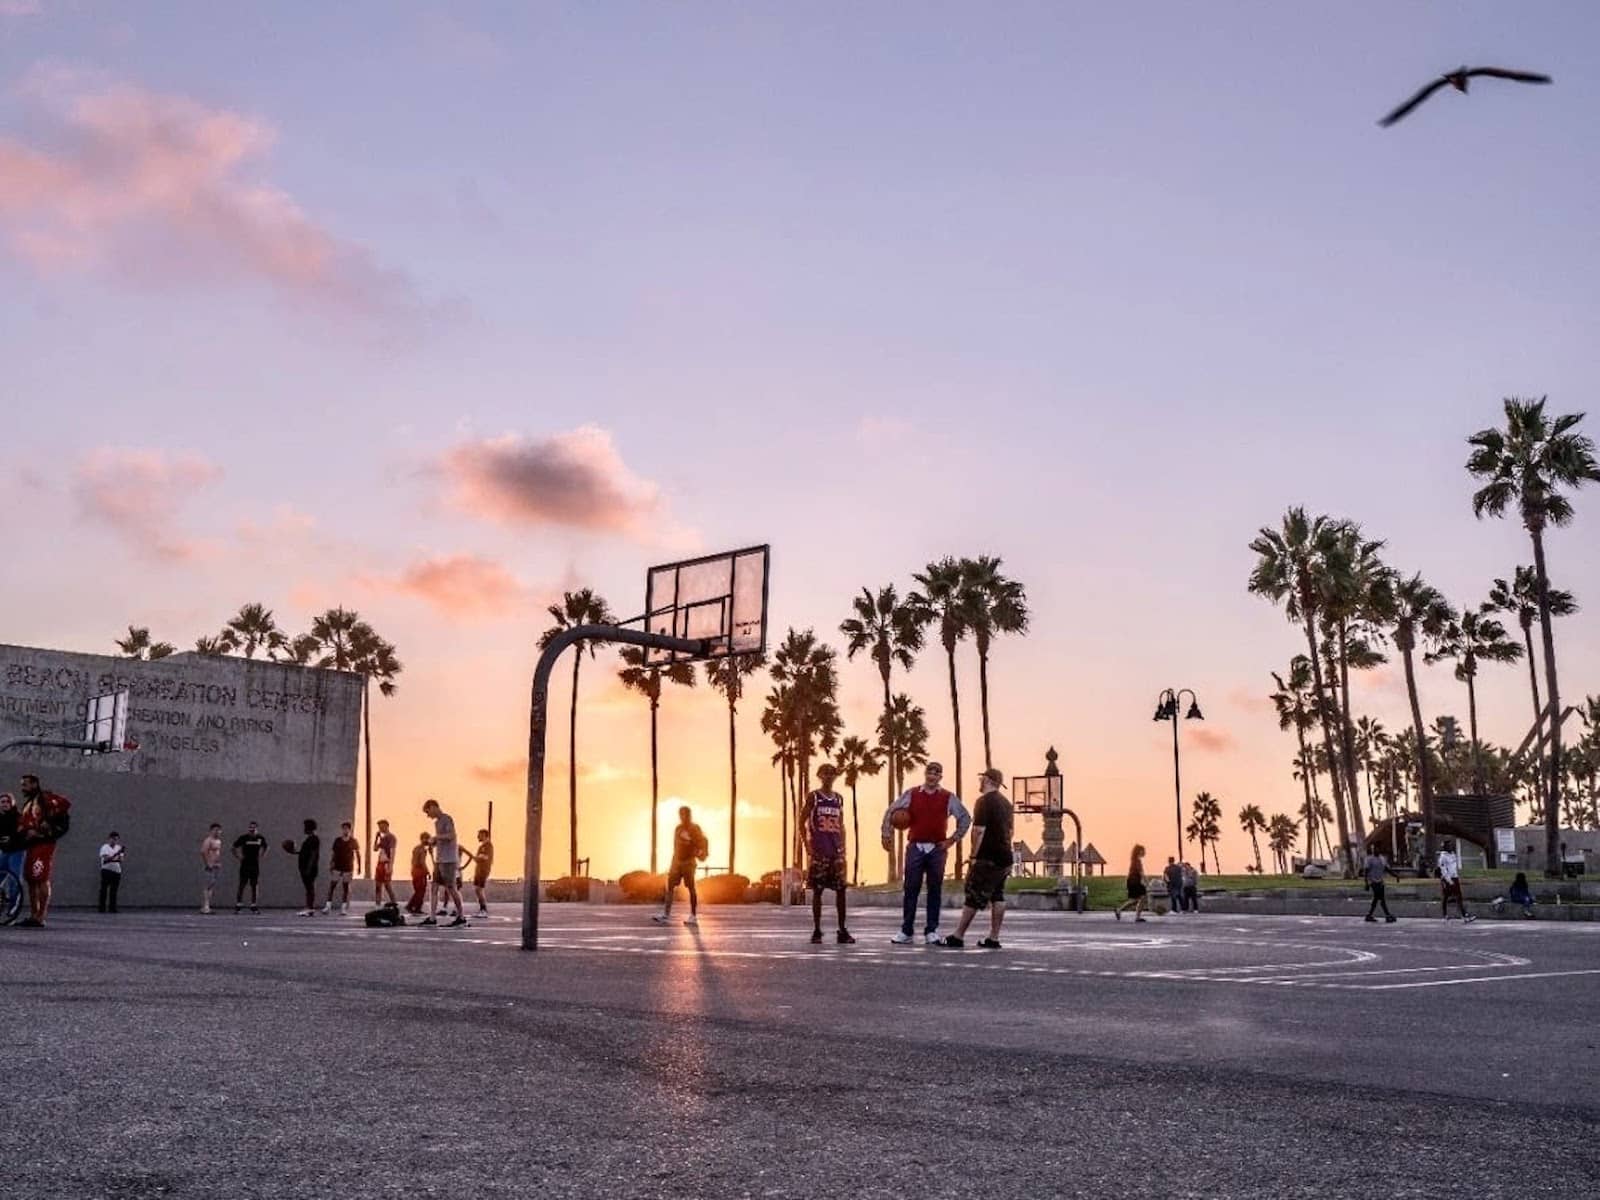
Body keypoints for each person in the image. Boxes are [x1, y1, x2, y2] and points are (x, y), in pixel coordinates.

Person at [881, 762, 971, 945]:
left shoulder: (948, 797)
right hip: (916, 847)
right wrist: (886, 833)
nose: (932, 776)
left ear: (940, 777)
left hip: (937, 849)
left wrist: (952, 840)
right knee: (911, 889)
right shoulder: (912, 793)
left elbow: (965, 817)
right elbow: (891, 811)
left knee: (934, 890)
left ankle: (931, 930)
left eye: (936, 773)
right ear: (925, 774)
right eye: (930, 772)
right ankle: (906, 931)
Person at [942, 767, 1014, 949]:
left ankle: (958, 936)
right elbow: (1011, 831)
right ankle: (993, 938)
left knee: (973, 895)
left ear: (988, 780)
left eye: (982, 779)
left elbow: (978, 830)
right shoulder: (1007, 804)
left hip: (987, 856)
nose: (980, 782)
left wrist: (974, 856)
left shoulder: (983, 802)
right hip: (1005, 856)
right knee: (997, 895)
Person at [800, 764, 853, 944]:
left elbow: (841, 824)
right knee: (818, 891)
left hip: (836, 851)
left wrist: (843, 846)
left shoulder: (838, 798)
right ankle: (817, 930)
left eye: (832, 773)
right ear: (819, 775)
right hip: (819, 850)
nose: (829, 776)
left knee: (841, 890)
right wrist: (807, 844)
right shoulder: (814, 797)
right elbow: (801, 821)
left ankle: (842, 930)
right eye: (825, 773)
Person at [16, 773, 71, 928]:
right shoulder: (29, 803)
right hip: (31, 846)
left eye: (25, 784)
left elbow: (64, 809)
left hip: (44, 844)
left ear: (34, 784)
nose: (22, 788)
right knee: (31, 879)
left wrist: (43, 829)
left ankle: (41, 917)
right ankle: (34, 914)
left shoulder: (45, 799)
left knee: (41, 877)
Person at [655, 806, 708, 927]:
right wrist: (674, 861)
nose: (683, 817)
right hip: (676, 861)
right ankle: (666, 915)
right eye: (681, 814)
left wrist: (691, 842)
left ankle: (693, 916)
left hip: (689, 862)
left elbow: (701, 844)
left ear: (689, 815)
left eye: (685, 814)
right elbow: (675, 845)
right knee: (670, 886)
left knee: (691, 887)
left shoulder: (695, 828)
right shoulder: (678, 828)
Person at [421, 799, 467, 927]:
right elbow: (443, 839)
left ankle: (461, 917)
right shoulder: (437, 823)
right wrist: (433, 843)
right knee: (434, 887)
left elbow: (451, 836)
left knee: (451, 888)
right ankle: (432, 918)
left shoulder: (447, 819)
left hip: (448, 860)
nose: (428, 815)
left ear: (433, 807)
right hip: (439, 859)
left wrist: (436, 837)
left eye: (428, 812)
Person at [323, 821, 361, 914]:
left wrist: (359, 866)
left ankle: (343, 908)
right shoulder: (338, 840)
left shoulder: (353, 841)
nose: (345, 830)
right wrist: (331, 863)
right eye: (343, 829)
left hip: (348, 867)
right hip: (337, 866)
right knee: (332, 886)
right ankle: (328, 906)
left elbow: (357, 854)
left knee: (345, 887)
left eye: (347, 829)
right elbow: (334, 853)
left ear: (350, 830)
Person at [284, 819, 321, 916]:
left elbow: (313, 854)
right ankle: (309, 907)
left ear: (309, 828)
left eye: (305, 827)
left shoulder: (314, 839)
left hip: (309, 868)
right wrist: (294, 852)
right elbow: (305, 853)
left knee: (310, 887)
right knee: (308, 888)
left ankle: (310, 908)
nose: (304, 829)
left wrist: (309, 868)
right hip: (305, 867)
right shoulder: (309, 839)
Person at [233, 821, 268, 913]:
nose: (252, 829)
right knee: (242, 884)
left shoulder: (260, 838)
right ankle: (239, 904)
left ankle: (254, 905)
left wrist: (262, 855)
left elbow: (266, 847)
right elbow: (234, 847)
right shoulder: (243, 838)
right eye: (250, 827)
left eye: (254, 828)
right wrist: (239, 857)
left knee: (254, 884)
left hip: (255, 864)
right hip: (245, 863)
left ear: (257, 829)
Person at [0, 792, 24, 925]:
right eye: (2, 802)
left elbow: (22, 834)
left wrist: (11, 838)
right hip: (4, 852)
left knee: (14, 881)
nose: (5, 804)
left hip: (16, 852)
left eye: (7, 801)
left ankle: (12, 911)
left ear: (12, 803)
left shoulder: (18, 817)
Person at [1437, 841, 1475, 922]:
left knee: (1458, 896)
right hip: (1447, 878)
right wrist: (1449, 880)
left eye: (1451, 845)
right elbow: (1443, 869)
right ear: (1445, 847)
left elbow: (1454, 867)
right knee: (1445, 896)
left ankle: (1464, 915)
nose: (1451, 847)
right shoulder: (1443, 857)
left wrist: (1456, 876)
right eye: (1449, 846)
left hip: (1455, 877)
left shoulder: (1453, 855)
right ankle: (1444, 915)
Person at [1362, 847, 1398, 923]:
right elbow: (1366, 871)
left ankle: (1369, 915)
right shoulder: (1369, 859)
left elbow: (1387, 869)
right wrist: (1366, 882)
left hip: (1380, 881)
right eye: (1375, 849)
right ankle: (1387, 915)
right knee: (1381, 898)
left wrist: (1395, 875)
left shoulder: (1382, 859)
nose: (1376, 850)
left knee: (1376, 899)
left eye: (1378, 849)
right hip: (1373, 882)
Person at [1115, 844, 1149, 922]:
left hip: (1132, 881)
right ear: (1139, 851)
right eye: (1143, 851)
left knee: (1135, 900)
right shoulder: (1137, 861)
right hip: (1134, 882)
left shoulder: (1134, 860)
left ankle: (1119, 910)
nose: (1144, 852)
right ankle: (1137, 917)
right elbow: (1141, 873)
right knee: (1142, 897)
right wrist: (1147, 883)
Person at [465, 829, 493, 918]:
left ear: (484, 835)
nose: (478, 837)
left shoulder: (488, 846)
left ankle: (484, 910)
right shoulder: (481, 847)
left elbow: (485, 857)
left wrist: (477, 857)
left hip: (483, 870)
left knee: (479, 889)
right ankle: (482, 909)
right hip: (478, 869)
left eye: (479, 835)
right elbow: (477, 858)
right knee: (477, 889)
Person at [372, 819, 399, 907]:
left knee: (387, 885)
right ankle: (377, 905)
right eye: (379, 827)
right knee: (378, 885)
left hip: (386, 863)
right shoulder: (382, 838)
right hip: (380, 863)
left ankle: (394, 903)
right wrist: (377, 838)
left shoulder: (391, 837)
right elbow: (375, 849)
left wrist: (390, 866)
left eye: (382, 826)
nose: (380, 828)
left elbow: (392, 851)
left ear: (386, 826)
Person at [97, 832, 126, 913]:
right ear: (109, 839)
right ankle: (102, 908)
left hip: (116, 871)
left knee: (114, 891)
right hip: (106, 871)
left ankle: (112, 908)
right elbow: (106, 858)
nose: (114, 841)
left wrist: (115, 857)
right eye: (113, 839)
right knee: (104, 890)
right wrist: (116, 855)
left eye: (116, 839)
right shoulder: (104, 847)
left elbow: (121, 859)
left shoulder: (119, 847)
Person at [405, 832, 432, 915]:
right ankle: (415, 907)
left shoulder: (416, 848)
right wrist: (428, 872)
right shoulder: (422, 850)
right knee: (421, 891)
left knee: (418, 890)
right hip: (420, 871)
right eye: (427, 839)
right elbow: (422, 862)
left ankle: (412, 906)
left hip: (414, 870)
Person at [200, 823, 224, 914]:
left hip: (215, 865)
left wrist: (217, 863)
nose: (217, 832)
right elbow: (203, 851)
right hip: (210, 866)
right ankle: (205, 907)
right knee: (208, 886)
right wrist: (208, 863)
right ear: (211, 831)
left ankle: (207, 906)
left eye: (219, 830)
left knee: (211, 886)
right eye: (215, 830)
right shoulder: (208, 840)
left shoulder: (218, 841)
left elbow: (217, 853)